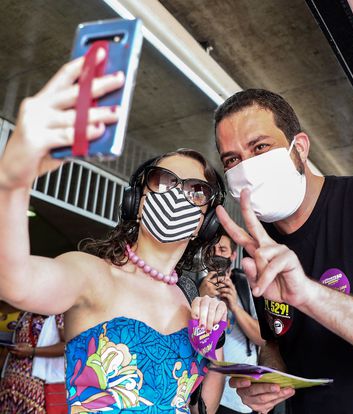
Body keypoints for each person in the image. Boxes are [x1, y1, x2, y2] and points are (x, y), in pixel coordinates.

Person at [0, 51, 228, 413]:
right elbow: (16, 282)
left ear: (205, 222)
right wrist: (11, 185)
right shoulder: (91, 274)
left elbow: (202, 405)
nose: (177, 195)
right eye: (164, 181)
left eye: (194, 191)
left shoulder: (189, 302)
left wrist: (214, 339)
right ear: (138, 201)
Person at [212, 89, 353, 414]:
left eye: (260, 147)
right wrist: (268, 378)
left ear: (300, 148)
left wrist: (309, 295)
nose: (247, 168)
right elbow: (277, 340)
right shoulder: (259, 249)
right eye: (232, 159)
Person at [198, 232, 265, 414]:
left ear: (233, 255)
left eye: (222, 249)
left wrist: (235, 307)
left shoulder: (246, 288)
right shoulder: (196, 287)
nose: (217, 254)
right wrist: (201, 296)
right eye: (212, 250)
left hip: (239, 399)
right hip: (203, 394)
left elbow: (262, 338)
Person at [0, 308, 65, 414]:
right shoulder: (26, 312)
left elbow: (68, 345)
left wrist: (32, 351)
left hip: (36, 386)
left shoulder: (59, 312)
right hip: (12, 384)